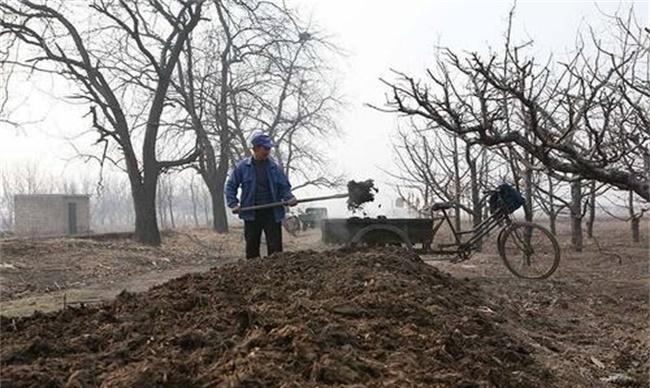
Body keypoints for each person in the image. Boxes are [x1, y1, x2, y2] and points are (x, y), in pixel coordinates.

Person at [225, 133, 298, 259]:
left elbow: (284, 187)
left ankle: (276, 273)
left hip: (272, 212)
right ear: (255, 148)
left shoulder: (274, 168)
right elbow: (230, 186)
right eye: (265, 148)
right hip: (252, 213)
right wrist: (233, 204)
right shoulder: (242, 167)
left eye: (269, 148)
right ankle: (253, 275)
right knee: (252, 248)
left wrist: (289, 198)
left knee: (275, 250)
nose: (268, 151)